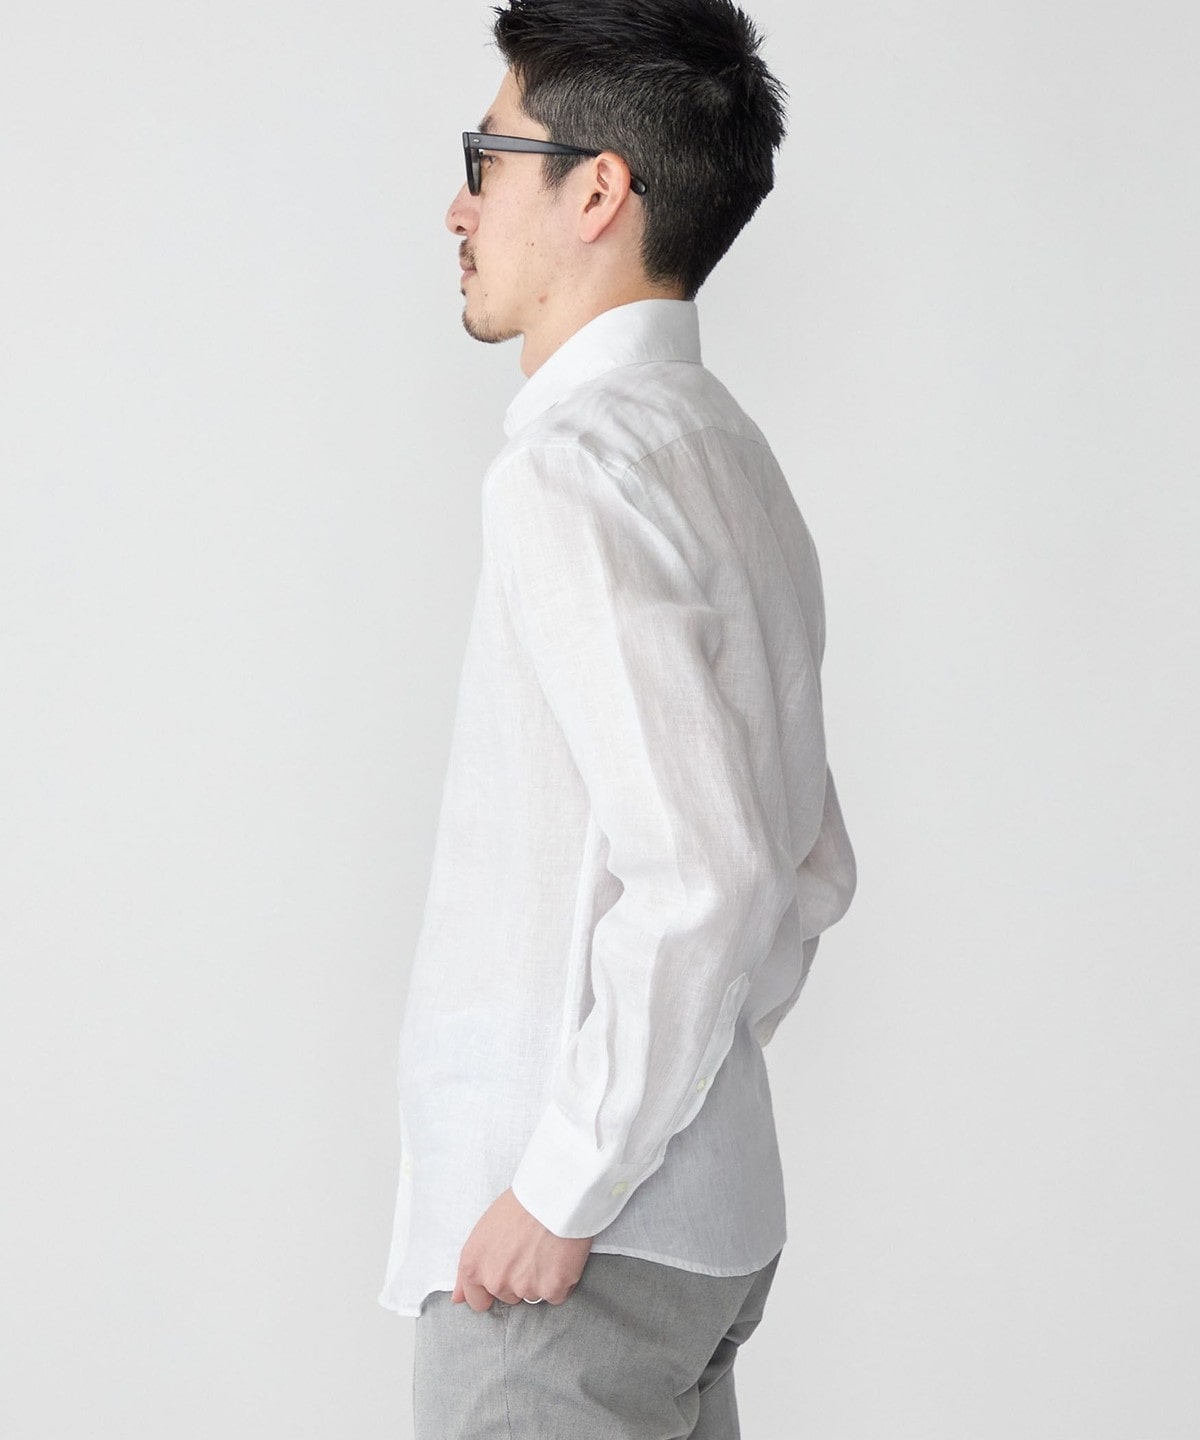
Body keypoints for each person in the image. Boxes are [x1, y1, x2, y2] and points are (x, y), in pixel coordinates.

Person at [377, 1, 858, 1434]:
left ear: (598, 191)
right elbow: (806, 870)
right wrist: (676, 1098)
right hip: (700, 1230)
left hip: (569, 1256)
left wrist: (564, 1180)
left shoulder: (573, 469)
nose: (459, 204)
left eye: (489, 156)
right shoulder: (729, 455)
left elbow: (710, 872)